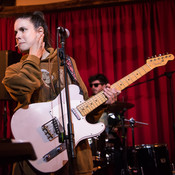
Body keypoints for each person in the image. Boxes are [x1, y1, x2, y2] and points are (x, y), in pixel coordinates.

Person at [2, 11, 119, 175]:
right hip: (35, 161)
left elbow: (85, 113)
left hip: (74, 160)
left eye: (23, 30)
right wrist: (34, 57)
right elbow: (23, 89)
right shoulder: (13, 70)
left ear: (40, 32)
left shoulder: (68, 63)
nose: (18, 36)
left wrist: (102, 104)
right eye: (16, 32)